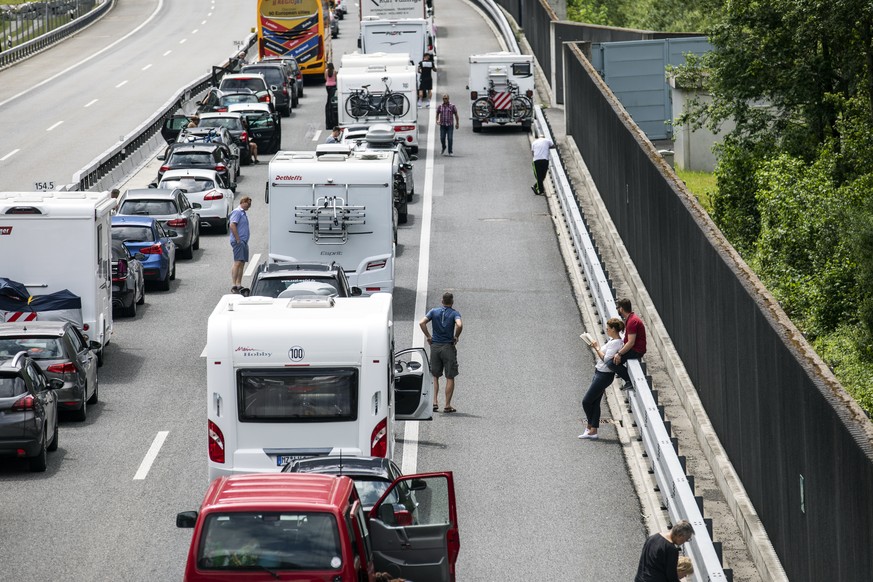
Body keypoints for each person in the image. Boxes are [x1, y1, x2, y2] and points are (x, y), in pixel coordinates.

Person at [579, 317, 625, 440]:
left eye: (608, 328)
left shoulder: (616, 343)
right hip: (599, 372)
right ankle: (593, 431)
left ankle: (590, 427)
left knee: (586, 401)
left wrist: (596, 347)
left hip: (604, 375)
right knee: (595, 402)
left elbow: (606, 359)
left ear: (614, 329)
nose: (606, 330)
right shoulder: (612, 341)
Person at [419, 292, 463, 413]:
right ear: (452, 302)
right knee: (450, 376)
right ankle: (447, 405)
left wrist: (428, 336)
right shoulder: (455, 313)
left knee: (435, 375)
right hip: (448, 347)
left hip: (435, 346)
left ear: (442, 301)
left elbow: (422, 322)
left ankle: (434, 402)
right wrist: (456, 336)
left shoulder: (433, 311)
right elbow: (459, 324)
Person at [609, 298, 647, 390]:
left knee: (611, 363)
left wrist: (619, 354)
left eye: (618, 308)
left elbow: (631, 342)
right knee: (613, 359)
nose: (617, 310)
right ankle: (623, 374)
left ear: (621, 309)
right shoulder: (631, 318)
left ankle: (629, 380)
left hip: (636, 350)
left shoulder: (632, 322)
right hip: (634, 348)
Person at [229, 197, 252, 293]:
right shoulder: (237, 212)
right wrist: (237, 239)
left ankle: (239, 284)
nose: (249, 206)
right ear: (243, 202)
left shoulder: (243, 213)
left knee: (242, 263)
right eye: (248, 204)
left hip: (243, 241)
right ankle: (234, 285)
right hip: (239, 241)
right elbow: (232, 225)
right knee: (237, 262)